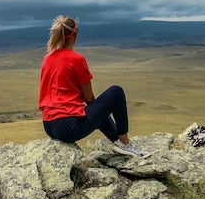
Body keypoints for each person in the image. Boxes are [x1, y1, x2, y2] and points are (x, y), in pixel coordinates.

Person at [39, 15, 150, 158]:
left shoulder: (48, 58)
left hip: (49, 125)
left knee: (96, 110)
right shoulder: (76, 59)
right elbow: (89, 97)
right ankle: (125, 144)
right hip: (68, 127)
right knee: (116, 92)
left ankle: (119, 143)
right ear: (75, 34)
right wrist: (99, 109)